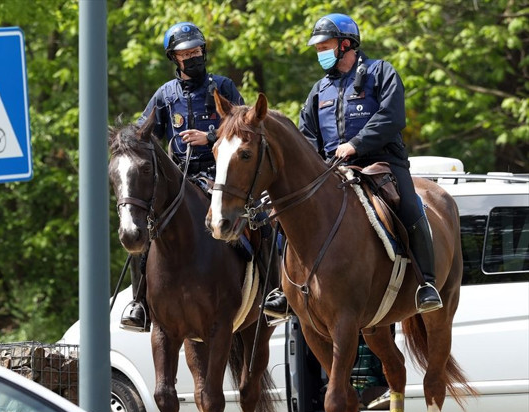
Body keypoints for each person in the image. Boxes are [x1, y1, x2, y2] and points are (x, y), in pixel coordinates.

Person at [262, 13, 442, 319]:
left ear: (346, 44)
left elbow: (392, 116)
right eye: (317, 48)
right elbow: (307, 135)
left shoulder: (381, 72)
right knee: (284, 215)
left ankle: (426, 283)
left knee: (410, 206)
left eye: (325, 46)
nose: (320, 53)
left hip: (382, 163)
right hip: (331, 169)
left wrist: (356, 144)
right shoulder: (319, 90)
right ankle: (283, 289)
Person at [120, 22, 246, 331]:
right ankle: (139, 303)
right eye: (185, 54)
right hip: (179, 180)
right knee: (143, 226)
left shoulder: (224, 86)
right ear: (174, 58)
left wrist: (210, 136)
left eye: (196, 51)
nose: (193, 57)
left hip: (222, 175)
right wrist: (126, 139)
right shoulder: (165, 95)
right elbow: (143, 131)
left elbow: (245, 126)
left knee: (262, 220)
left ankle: (273, 291)